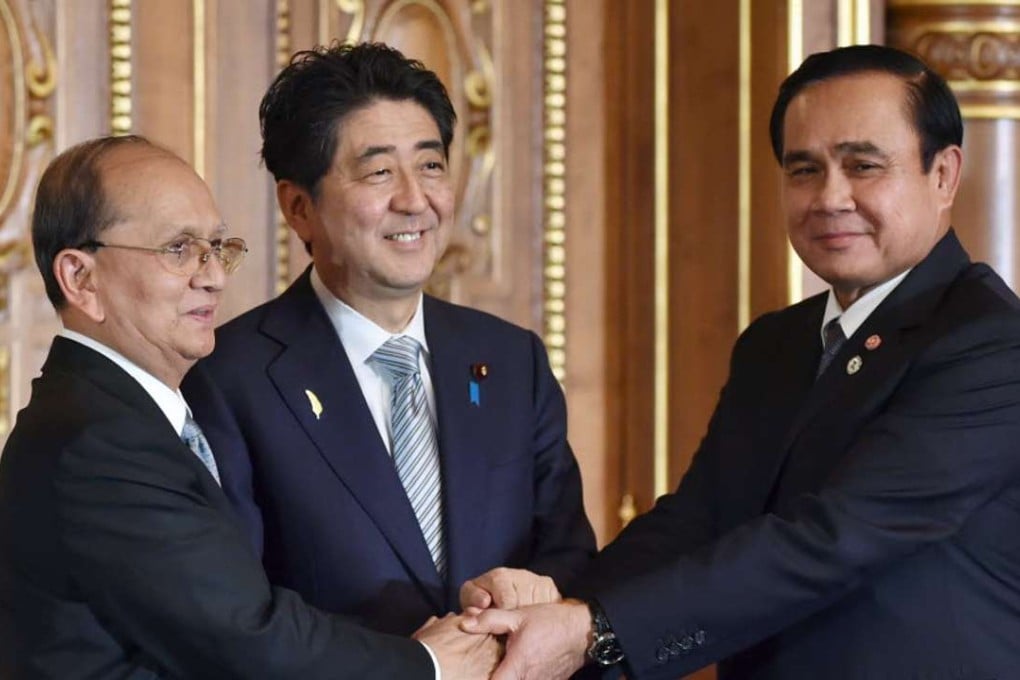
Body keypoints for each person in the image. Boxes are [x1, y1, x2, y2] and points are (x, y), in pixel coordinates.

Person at [461, 44, 1020, 679]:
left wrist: (593, 631)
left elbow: (833, 537)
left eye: (863, 165)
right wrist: (554, 607)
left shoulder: (992, 345)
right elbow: (698, 520)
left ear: (943, 175)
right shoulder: (775, 345)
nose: (830, 197)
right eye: (803, 170)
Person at [0, 135, 499, 679]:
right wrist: (428, 663)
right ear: (80, 277)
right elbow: (246, 637)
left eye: (217, 248)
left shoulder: (118, 418)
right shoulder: (96, 441)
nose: (212, 276)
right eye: (178, 249)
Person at [181, 41, 595, 636]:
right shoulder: (228, 379)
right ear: (299, 208)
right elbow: (236, 618)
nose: (415, 199)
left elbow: (572, 560)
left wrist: (524, 601)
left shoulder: (509, 359)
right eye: (378, 172)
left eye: (430, 166)